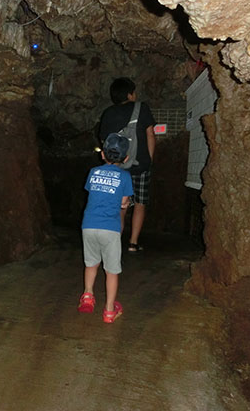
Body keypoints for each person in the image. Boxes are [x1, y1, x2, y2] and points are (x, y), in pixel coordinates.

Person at [77, 133, 134, 323]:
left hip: (89, 226)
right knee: (111, 271)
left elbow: (92, 192)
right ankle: (109, 310)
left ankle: (87, 295)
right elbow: (123, 203)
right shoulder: (125, 177)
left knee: (91, 264)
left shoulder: (93, 172)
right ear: (126, 158)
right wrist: (124, 204)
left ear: (102, 154)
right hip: (110, 228)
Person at [98, 77, 156, 254]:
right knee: (139, 204)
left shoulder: (108, 113)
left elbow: (104, 141)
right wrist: (149, 160)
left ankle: (114, 244)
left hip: (117, 166)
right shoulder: (142, 108)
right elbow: (150, 135)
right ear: (130, 94)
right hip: (140, 165)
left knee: (119, 206)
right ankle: (133, 243)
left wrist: (110, 163)